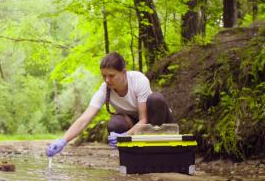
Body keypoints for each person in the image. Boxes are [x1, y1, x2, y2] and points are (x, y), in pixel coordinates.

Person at [46, 51, 174, 157]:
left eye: (111, 76)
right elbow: (84, 119)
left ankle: (160, 151)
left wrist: (125, 136)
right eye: (104, 76)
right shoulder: (104, 89)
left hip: (157, 120)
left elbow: (144, 119)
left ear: (124, 72)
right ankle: (134, 156)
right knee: (115, 124)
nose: (107, 80)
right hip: (136, 124)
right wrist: (63, 140)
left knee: (156, 99)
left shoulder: (139, 80)